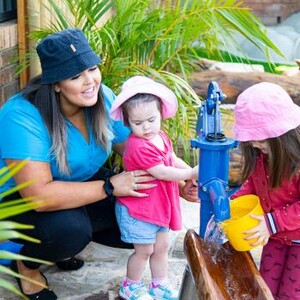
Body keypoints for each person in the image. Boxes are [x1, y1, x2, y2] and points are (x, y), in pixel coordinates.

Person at [0, 29, 198, 300]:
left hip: (80, 183)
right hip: (19, 200)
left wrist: (182, 179)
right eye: (75, 76)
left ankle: (62, 248)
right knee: (69, 232)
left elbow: (139, 149)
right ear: (56, 84)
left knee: (139, 226)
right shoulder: (22, 116)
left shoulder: (102, 97)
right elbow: (39, 196)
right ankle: (27, 264)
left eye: (91, 68)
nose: (89, 80)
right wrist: (110, 187)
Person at [110, 76, 199, 300]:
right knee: (144, 251)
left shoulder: (160, 137)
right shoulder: (138, 146)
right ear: (128, 122)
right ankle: (130, 286)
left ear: (161, 113)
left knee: (161, 248)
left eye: (151, 119)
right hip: (139, 210)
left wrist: (189, 173)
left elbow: (171, 158)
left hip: (157, 207)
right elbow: (161, 171)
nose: (146, 127)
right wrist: (190, 174)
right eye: (138, 123)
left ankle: (159, 285)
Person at [231, 82, 300, 299]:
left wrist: (272, 223)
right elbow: (253, 185)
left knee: (291, 293)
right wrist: (233, 204)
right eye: (250, 140)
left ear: (282, 136)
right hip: (276, 237)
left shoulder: (296, 163)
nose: (253, 145)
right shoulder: (263, 156)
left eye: (259, 139)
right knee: (265, 288)